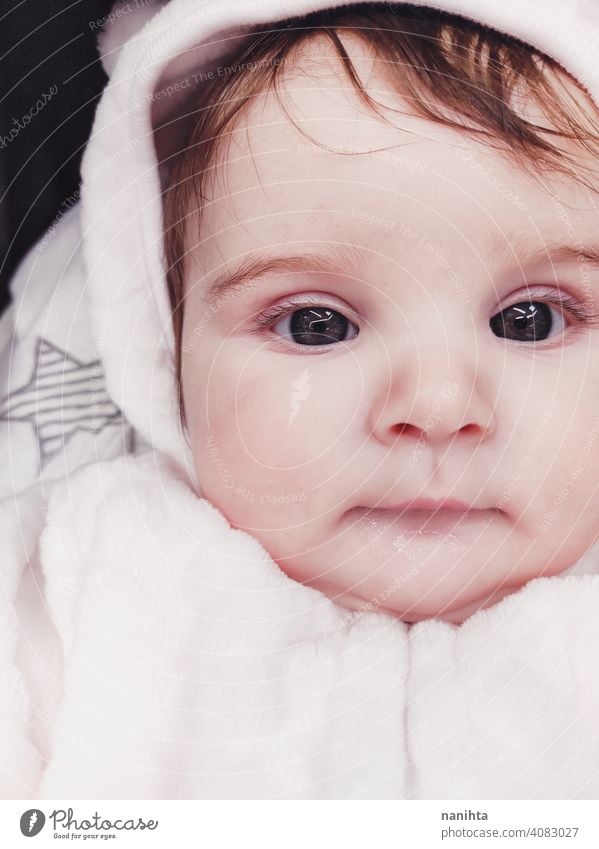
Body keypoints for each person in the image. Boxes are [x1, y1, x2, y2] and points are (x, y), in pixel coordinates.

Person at [2, 0, 599, 800]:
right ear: (168, 357)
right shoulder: (74, 584)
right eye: (317, 325)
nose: (433, 404)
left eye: (528, 320)